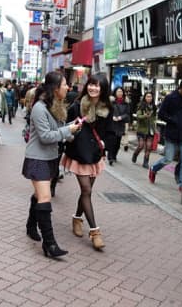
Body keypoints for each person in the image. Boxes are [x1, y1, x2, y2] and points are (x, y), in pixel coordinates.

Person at [22, 71, 80, 258]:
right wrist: (67, 130)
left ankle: (31, 225)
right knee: (45, 197)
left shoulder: (55, 106)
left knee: (39, 194)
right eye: (65, 85)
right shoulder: (39, 107)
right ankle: (50, 244)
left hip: (50, 159)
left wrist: (72, 128)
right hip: (37, 158)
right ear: (55, 88)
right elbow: (46, 137)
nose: (68, 88)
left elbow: (57, 131)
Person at [62, 73, 112, 250]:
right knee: (86, 189)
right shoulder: (77, 105)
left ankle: (77, 218)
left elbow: (109, 131)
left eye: (97, 86)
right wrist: (72, 128)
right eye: (91, 84)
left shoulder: (107, 108)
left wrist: (105, 144)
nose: (93, 88)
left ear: (103, 89)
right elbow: (65, 125)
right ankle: (95, 231)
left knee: (86, 193)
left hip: (95, 155)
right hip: (79, 153)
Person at [148, 77, 182, 189]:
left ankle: (181, 183)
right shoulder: (170, 98)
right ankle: (154, 168)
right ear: (181, 88)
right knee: (168, 158)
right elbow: (161, 114)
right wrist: (173, 120)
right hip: (171, 134)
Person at [132, 91, 157, 168]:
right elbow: (138, 116)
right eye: (147, 96)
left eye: (150, 97)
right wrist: (145, 116)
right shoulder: (141, 106)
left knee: (148, 147)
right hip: (141, 130)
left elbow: (154, 118)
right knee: (141, 145)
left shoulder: (154, 107)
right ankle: (135, 154)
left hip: (150, 130)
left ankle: (145, 162)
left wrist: (155, 128)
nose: (149, 98)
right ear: (145, 98)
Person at [106, 87, 130, 165]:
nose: (120, 93)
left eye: (121, 92)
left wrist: (121, 117)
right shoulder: (111, 102)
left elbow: (127, 114)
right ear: (115, 93)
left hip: (120, 124)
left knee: (117, 143)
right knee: (112, 141)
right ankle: (110, 157)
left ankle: (114, 155)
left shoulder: (126, 103)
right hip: (112, 124)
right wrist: (111, 117)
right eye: (118, 91)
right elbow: (106, 111)